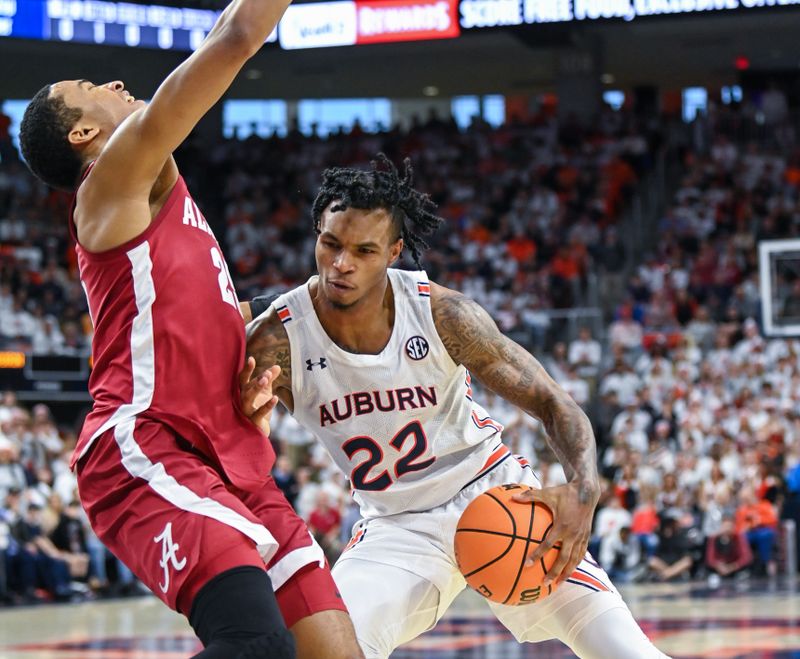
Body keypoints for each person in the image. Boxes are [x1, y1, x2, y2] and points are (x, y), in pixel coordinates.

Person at [18, 1, 363, 657]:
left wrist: (249, 370)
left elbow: (213, 325)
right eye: (97, 90)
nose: (117, 84)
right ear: (83, 135)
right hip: (147, 442)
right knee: (257, 645)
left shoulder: (168, 207)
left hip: (232, 457)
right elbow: (235, 35)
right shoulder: (108, 182)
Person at [245, 156, 671, 658]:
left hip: (495, 493)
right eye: (331, 244)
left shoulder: (442, 314)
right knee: (324, 651)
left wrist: (583, 489)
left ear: (394, 252)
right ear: (317, 232)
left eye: (363, 250)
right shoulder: (276, 339)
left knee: (629, 652)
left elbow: (553, 404)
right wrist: (250, 429)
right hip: (395, 524)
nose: (341, 264)